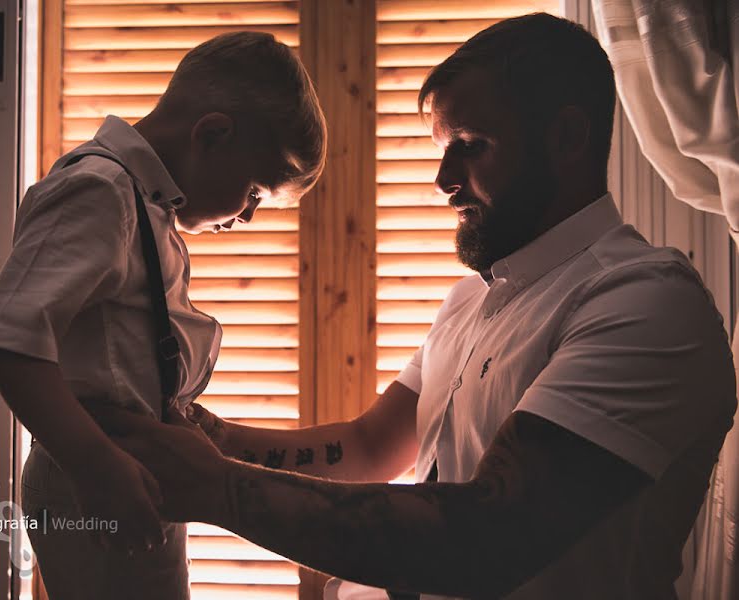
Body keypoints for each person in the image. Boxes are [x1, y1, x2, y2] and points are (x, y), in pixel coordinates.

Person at [88, 13, 738, 600]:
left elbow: (487, 536)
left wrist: (215, 488)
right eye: (441, 149)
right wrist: (212, 438)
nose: (443, 180)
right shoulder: (470, 303)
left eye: (471, 145)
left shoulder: (646, 304)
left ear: (568, 136)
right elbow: (369, 444)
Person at [0, 32, 326, 599]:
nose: (251, 216)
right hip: (98, 480)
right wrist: (95, 465)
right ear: (212, 134)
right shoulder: (99, 191)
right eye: (256, 191)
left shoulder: (145, 206)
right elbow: (8, 338)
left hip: (127, 472)